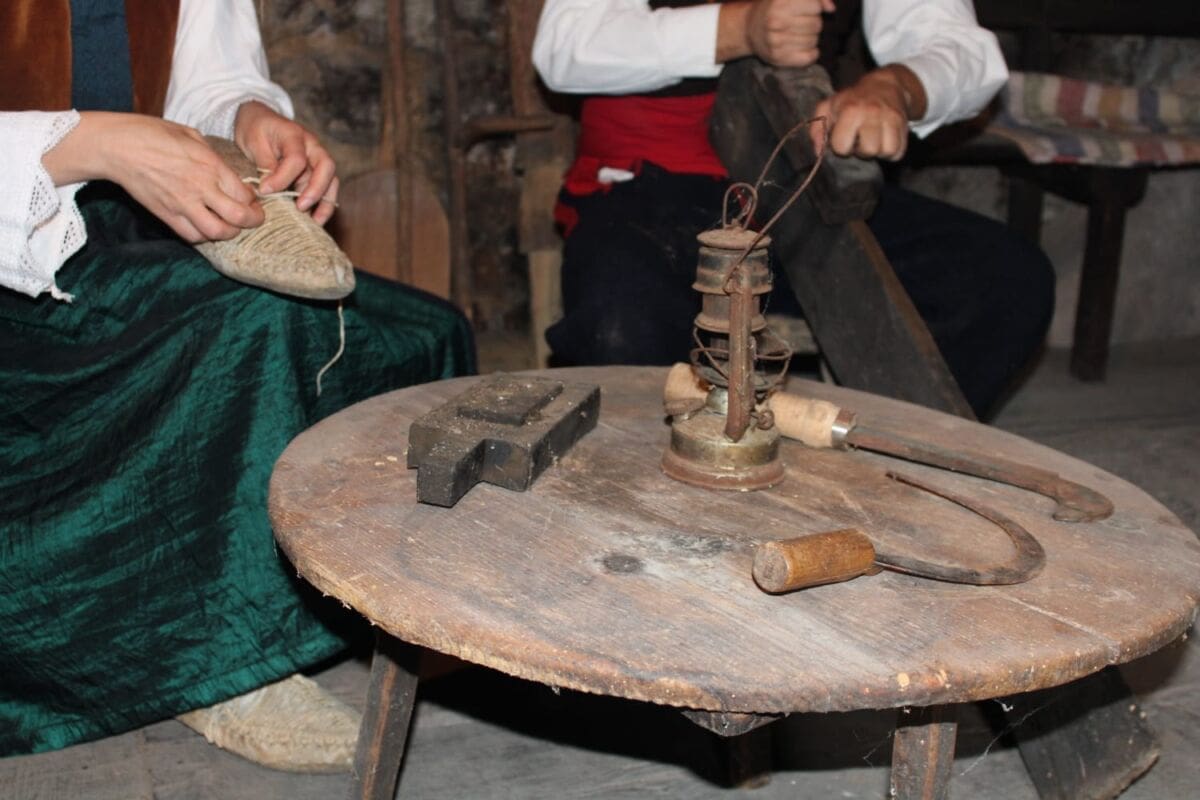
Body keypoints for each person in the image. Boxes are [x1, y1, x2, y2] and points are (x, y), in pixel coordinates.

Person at [0, 0, 474, 769]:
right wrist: (88, 143)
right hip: (17, 270)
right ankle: (213, 650)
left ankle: (390, 600)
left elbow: (205, 78)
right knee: (247, 328)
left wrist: (246, 116)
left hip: (119, 231)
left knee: (422, 332)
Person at [532, 0, 1055, 418]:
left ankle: (868, 469)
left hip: (802, 185)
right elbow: (565, 45)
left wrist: (895, 87)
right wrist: (738, 28)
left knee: (1004, 280)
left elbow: (959, 46)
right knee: (619, 324)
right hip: (648, 188)